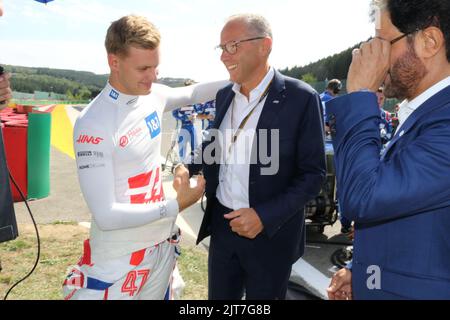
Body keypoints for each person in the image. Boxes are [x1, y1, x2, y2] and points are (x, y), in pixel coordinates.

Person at [63, 15, 226, 300]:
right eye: (143, 68)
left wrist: (246, 73)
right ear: (114, 62)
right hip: (117, 257)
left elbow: (195, 92)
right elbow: (106, 215)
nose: (154, 76)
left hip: (162, 246)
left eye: (156, 66)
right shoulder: (93, 123)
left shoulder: (154, 95)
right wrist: (176, 205)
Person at [176, 14, 325, 300]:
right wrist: (188, 166)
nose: (224, 56)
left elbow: (313, 175)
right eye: (221, 48)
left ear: (264, 46)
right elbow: (214, 146)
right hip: (223, 227)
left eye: (232, 46)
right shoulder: (224, 96)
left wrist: (264, 216)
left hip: (270, 235)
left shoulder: (301, 97)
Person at [327, 0, 450, 300]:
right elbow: (414, 220)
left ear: (429, 42)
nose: (369, 53)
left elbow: (364, 198)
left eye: (382, 41)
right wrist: (366, 273)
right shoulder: (425, 113)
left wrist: (360, 95)